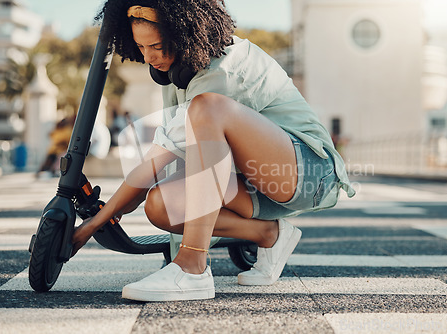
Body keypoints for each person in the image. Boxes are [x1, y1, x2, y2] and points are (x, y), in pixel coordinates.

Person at [72, 0, 355, 302]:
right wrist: (97, 222)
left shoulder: (225, 69)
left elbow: (157, 160)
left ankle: (192, 268)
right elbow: (166, 158)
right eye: (141, 47)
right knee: (160, 203)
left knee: (207, 107)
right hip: (252, 186)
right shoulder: (178, 70)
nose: (149, 57)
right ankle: (270, 234)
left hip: (307, 170)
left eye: (156, 45)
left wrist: (91, 226)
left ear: (184, 34)